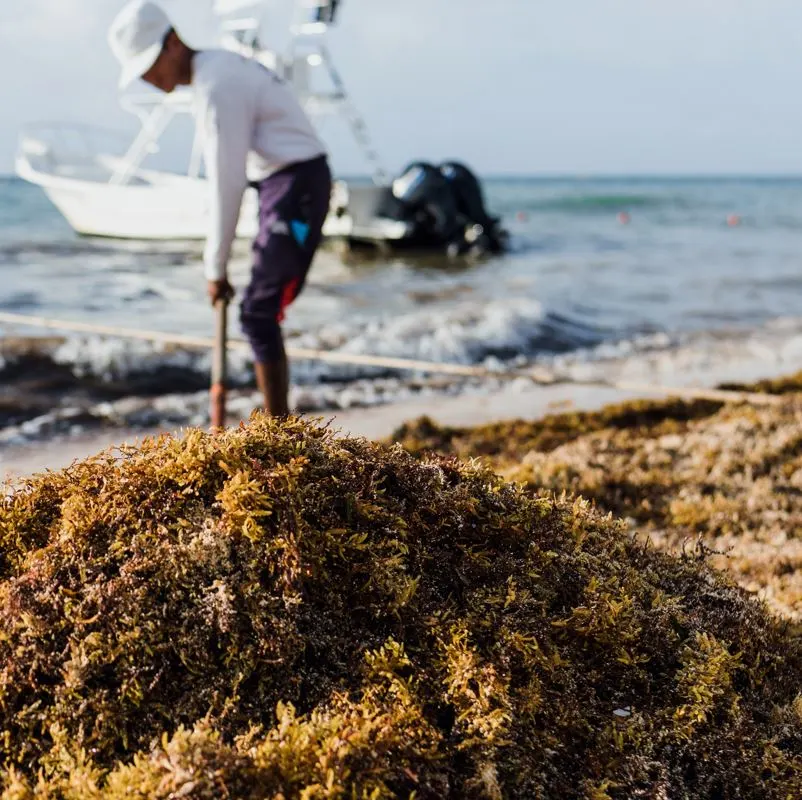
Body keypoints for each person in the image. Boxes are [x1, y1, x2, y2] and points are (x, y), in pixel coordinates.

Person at [108, 1, 332, 416]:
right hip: (283, 184)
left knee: (259, 312)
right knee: (260, 313)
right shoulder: (219, 67)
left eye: (150, 66)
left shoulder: (217, 86)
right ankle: (279, 425)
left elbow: (226, 182)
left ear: (173, 43)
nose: (150, 80)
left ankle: (280, 431)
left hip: (295, 186)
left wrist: (215, 267)